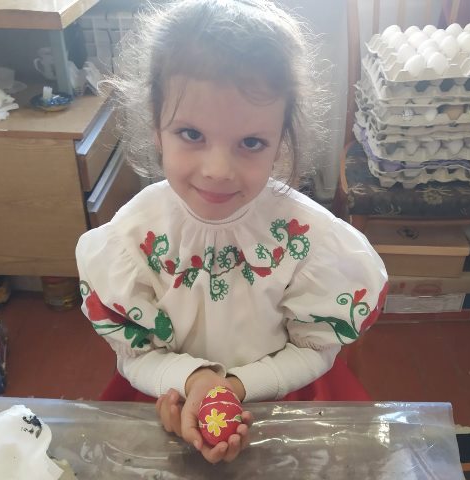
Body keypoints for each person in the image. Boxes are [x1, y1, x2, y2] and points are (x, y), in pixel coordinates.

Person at [76, 0, 388, 464]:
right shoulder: (131, 237)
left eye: (251, 143)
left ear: (280, 142)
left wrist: (236, 387)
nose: (218, 170)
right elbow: (136, 356)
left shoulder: (309, 238)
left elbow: (316, 350)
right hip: (169, 398)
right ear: (157, 127)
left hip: (284, 400)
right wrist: (193, 383)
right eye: (191, 134)